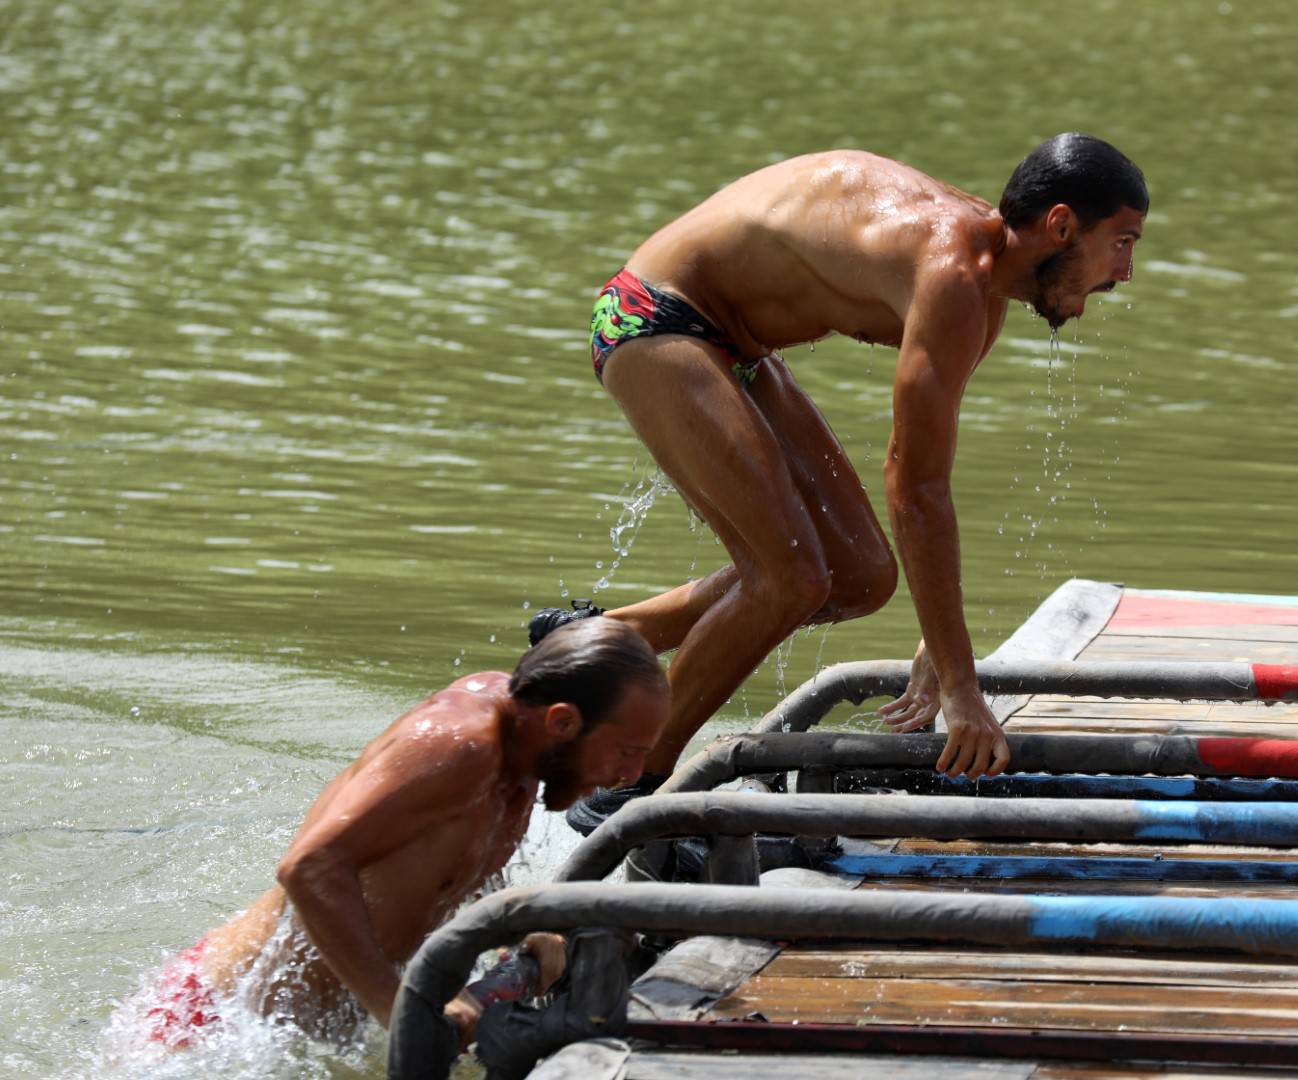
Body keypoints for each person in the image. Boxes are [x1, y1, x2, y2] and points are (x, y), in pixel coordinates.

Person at [531, 132, 1148, 826]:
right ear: (1062, 224)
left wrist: (941, 641)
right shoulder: (954, 273)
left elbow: (927, 476)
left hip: (733, 345)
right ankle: (636, 786)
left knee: (859, 576)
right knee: (790, 576)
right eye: (1123, 242)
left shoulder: (983, 288)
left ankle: (596, 640)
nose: (1125, 271)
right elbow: (913, 491)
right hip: (654, 316)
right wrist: (959, 682)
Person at [142, 618, 669, 1049]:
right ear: (561, 722)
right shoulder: (459, 745)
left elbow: (451, 859)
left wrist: (514, 931)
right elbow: (309, 867)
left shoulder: (523, 743)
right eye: (627, 752)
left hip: (315, 1025)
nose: (631, 776)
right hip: (220, 1027)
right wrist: (406, 1016)